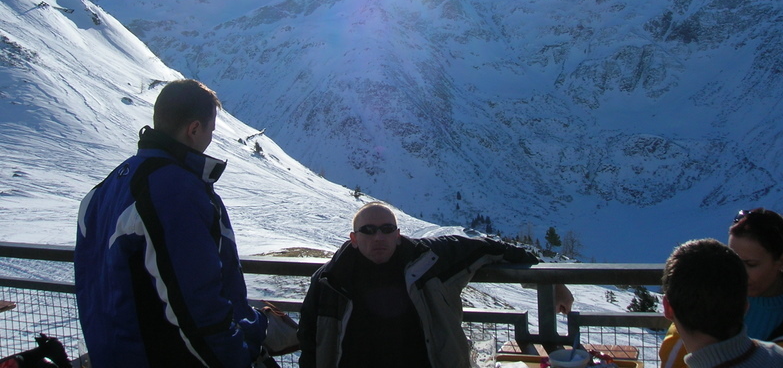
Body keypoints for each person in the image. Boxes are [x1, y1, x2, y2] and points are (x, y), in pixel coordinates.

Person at [74, 79, 269, 368]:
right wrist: (238, 358)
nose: (210, 138)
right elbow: (198, 304)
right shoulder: (173, 190)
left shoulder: (103, 190)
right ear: (194, 129)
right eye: (211, 130)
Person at [297, 201, 574, 368]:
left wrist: (553, 283)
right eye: (368, 231)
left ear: (397, 235)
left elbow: (492, 248)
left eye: (386, 229)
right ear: (354, 239)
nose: (378, 236)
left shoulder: (429, 259)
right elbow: (310, 343)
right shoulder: (329, 281)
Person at [660, 209, 783, 367]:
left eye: (751, 264)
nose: (738, 271)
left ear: (782, 262)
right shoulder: (709, 295)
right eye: (732, 260)